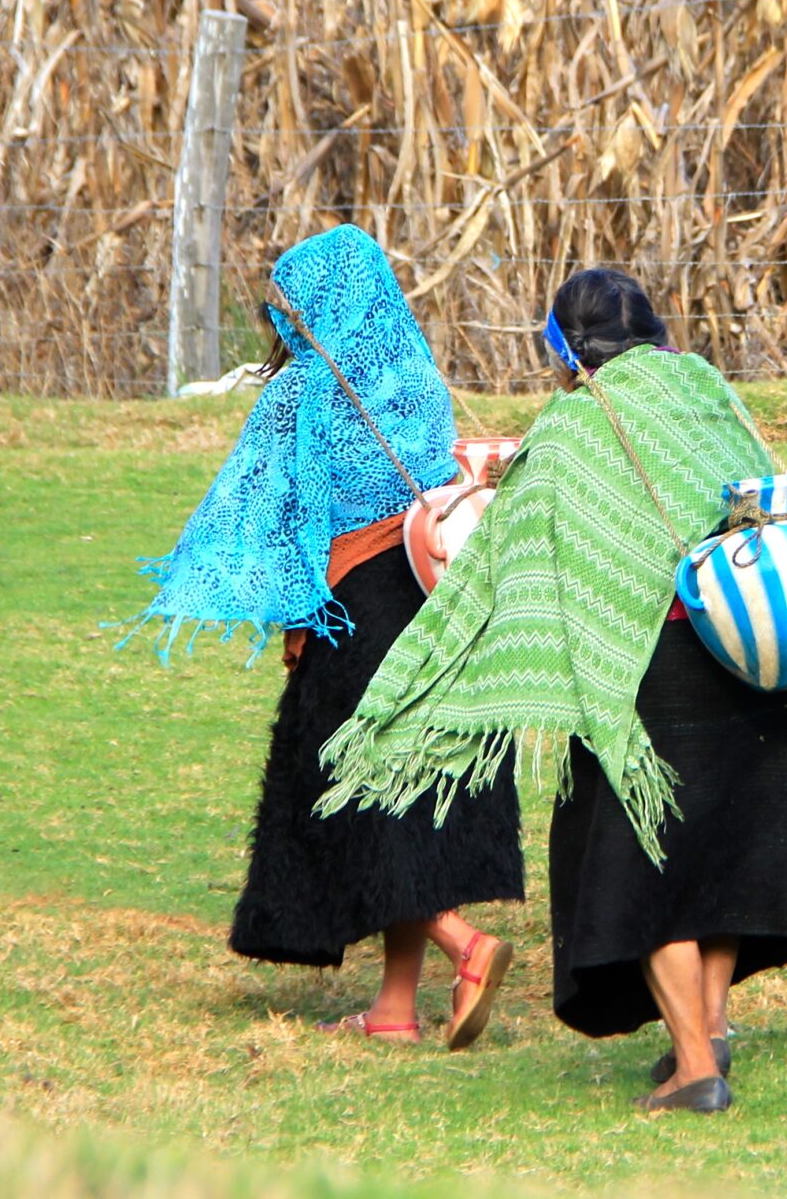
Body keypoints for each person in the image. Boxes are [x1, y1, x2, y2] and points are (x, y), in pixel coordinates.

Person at [318, 268, 787, 1115]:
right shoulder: (707, 392)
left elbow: (505, 566)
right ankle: (710, 1028)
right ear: (655, 331)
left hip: (647, 674)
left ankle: (697, 1068)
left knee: (645, 866)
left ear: (563, 350)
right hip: (752, 647)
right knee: (721, 852)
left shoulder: (570, 431)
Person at [127, 225, 522, 1048]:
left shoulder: (298, 396)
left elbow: (267, 517)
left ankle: (465, 945)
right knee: (408, 789)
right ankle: (393, 1010)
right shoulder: (413, 374)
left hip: (353, 614)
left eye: (286, 309)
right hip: (431, 599)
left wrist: (257, 596)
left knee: (356, 797)